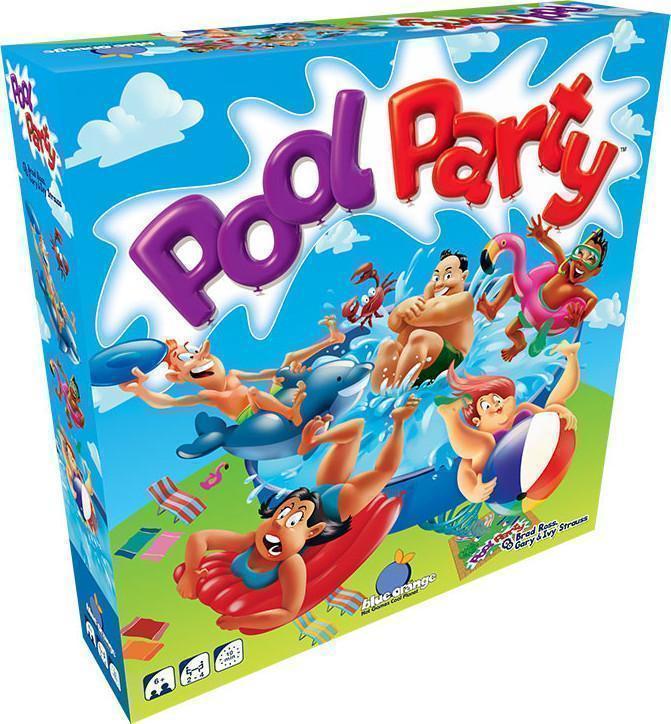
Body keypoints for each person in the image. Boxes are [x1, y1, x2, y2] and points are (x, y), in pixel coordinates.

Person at [176, 396, 419, 632]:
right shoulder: (251, 541)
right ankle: (318, 439)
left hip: (337, 507)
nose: (278, 525)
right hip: (317, 498)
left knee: (383, 471)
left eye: (290, 521)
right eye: (280, 516)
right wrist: (191, 572)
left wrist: (241, 621)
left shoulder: (291, 564)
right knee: (353, 434)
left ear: (312, 532)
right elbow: (200, 538)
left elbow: (288, 611)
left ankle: (399, 422)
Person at [438, 341, 580, 503]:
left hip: (542, 463)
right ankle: (451, 418)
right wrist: (473, 492)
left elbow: (548, 418)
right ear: (477, 420)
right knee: (485, 444)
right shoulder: (479, 443)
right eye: (486, 406)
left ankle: (570, 355)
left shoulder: (523, 410)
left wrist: (559, 411)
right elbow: (464, 475)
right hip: (498, 480)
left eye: (497, 399)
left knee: (555, 402)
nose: (495, 405)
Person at [372, 250, 474, 392]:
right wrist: (399, 310)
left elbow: (428, 313)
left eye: (448, 276)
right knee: (388, 346)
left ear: (463, 276)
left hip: (449, 361)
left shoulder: (464, 300)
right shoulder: (427, 301)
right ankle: (382, 395)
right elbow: (394, 325)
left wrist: (404, 310)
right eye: (436, 278)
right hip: (418, 362)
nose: (440, 283)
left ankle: (399, 393)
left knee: (420, 336)